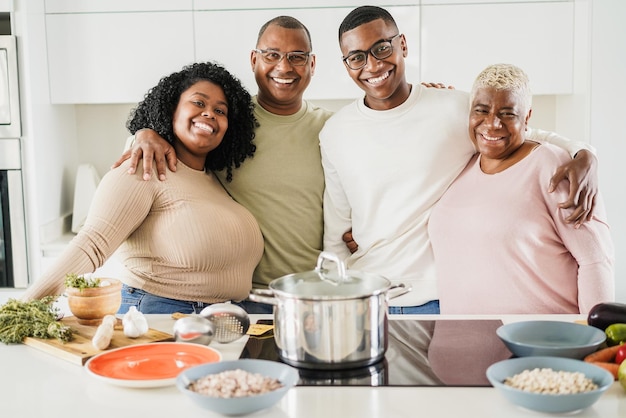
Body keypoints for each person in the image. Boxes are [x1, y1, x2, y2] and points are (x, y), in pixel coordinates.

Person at [319, 5, 599, 314]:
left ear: (403, 45)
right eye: (357, 57)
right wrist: (336, 305)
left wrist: (584, 154)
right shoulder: (334, 133)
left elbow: (518, 130)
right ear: (346, 64)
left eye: (382, 48)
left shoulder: (452, 108)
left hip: (441, 301)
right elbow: (336, 234)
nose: (372, 65)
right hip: (366, 301)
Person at [113, 16, 333, 314]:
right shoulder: (229, 124)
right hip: (239, 300)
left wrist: (419, 97)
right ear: (254, 60)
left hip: (314, 296)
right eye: (272, 55)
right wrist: (144, 133)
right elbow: (176, 134)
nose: (284, 67)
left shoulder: (331, 128)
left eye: (297, 57)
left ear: (312, 64)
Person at [22, 62, 264, 315]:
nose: (209, 114)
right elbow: (90, 244)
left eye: (220, 110)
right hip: (161, 316)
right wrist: (23, 310)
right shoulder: (142, 166)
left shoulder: (215, 181)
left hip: (222, 319)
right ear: (172, 108)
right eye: (199, 103)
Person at [428, 63, 614, 314]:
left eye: (507, 113)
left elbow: (595, 260)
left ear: (526, 117)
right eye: (481, 110)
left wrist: (598, 339)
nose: (492, 124)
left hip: (543, 341)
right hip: (460, 343)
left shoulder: (555, 166)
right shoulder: (460, 165)